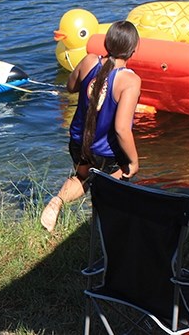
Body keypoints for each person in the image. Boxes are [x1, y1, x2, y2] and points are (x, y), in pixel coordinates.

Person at [41, 21, 141, 232]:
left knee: (82, 178)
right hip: (107, 151)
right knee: (121, 180)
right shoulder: (130, 80)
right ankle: (106, 231)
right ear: (134, 49)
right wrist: (133, 162)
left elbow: (70, 86)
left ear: (106, 42)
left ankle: (58, 200)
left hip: (79, 141)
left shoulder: (88, 61)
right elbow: (122, 129)